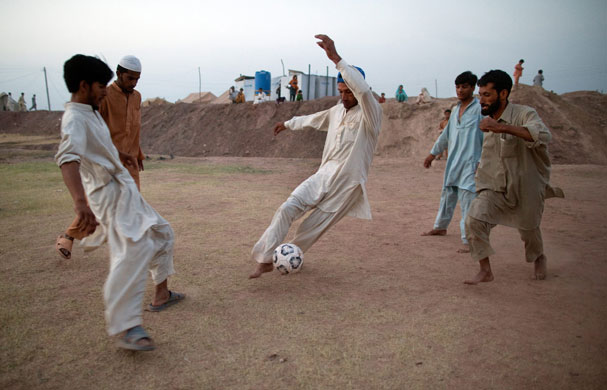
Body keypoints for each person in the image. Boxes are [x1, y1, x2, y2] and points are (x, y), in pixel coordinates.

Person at [55, 54, 184, 350]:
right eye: (101, 85)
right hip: (108, 194)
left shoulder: (90, 111)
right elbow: (68, 159)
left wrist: (121, 155)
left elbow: (99, 144)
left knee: (163, 233)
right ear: (85, 85)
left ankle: (162, 294)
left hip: (123, 184)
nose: (105, 90)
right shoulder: (74, 118)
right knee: (133, 249)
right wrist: (80, 203)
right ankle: (126, 327)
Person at [249, 34, 382, 279]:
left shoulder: (371, 114)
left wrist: (336, 59)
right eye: (341, 91)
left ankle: (290, 256)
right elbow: (312, 119)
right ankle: (266, 258)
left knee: (309, 229)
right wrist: (287, 124)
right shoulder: (336, 111)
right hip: (323, 175)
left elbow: (363, 92)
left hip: (346, 185)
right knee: (287, 208)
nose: (344, 97)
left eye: (349, 92)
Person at [464, 69, 564, 285]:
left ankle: (538, 257)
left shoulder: (524, 113)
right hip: (494, 185)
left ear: (503, 94)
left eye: (487, 95)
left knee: (529, 229)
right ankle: (485, 270)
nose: (482, 100)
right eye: (480, 95)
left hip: (524, 186)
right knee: (473, 220)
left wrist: (501, 127)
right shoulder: (485, 120)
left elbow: (543, 136)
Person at [55, 55, 146, 260]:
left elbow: (135, 126)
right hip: (104, 162)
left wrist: (137, 153)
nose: (133, 83)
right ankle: (69, 235)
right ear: (120, 74)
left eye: (137, 79)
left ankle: (132, 244)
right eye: (130, 78)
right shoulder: (103, 95)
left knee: (132, 203)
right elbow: (95, 127)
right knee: (98, 206)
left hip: (127, 160)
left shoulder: (137, 96)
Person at [422, 71, 483, 253]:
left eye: (464, 86)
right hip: (453, 162)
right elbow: (446, 136)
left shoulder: (480, 110)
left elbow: (490, 136)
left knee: (468, 202)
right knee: (447, 195)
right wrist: (432, 154)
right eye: (458, 86)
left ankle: (469, 240)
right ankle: (440, 226)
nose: (460, 90)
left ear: (473, 88)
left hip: (471, 164)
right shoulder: (455, 110)